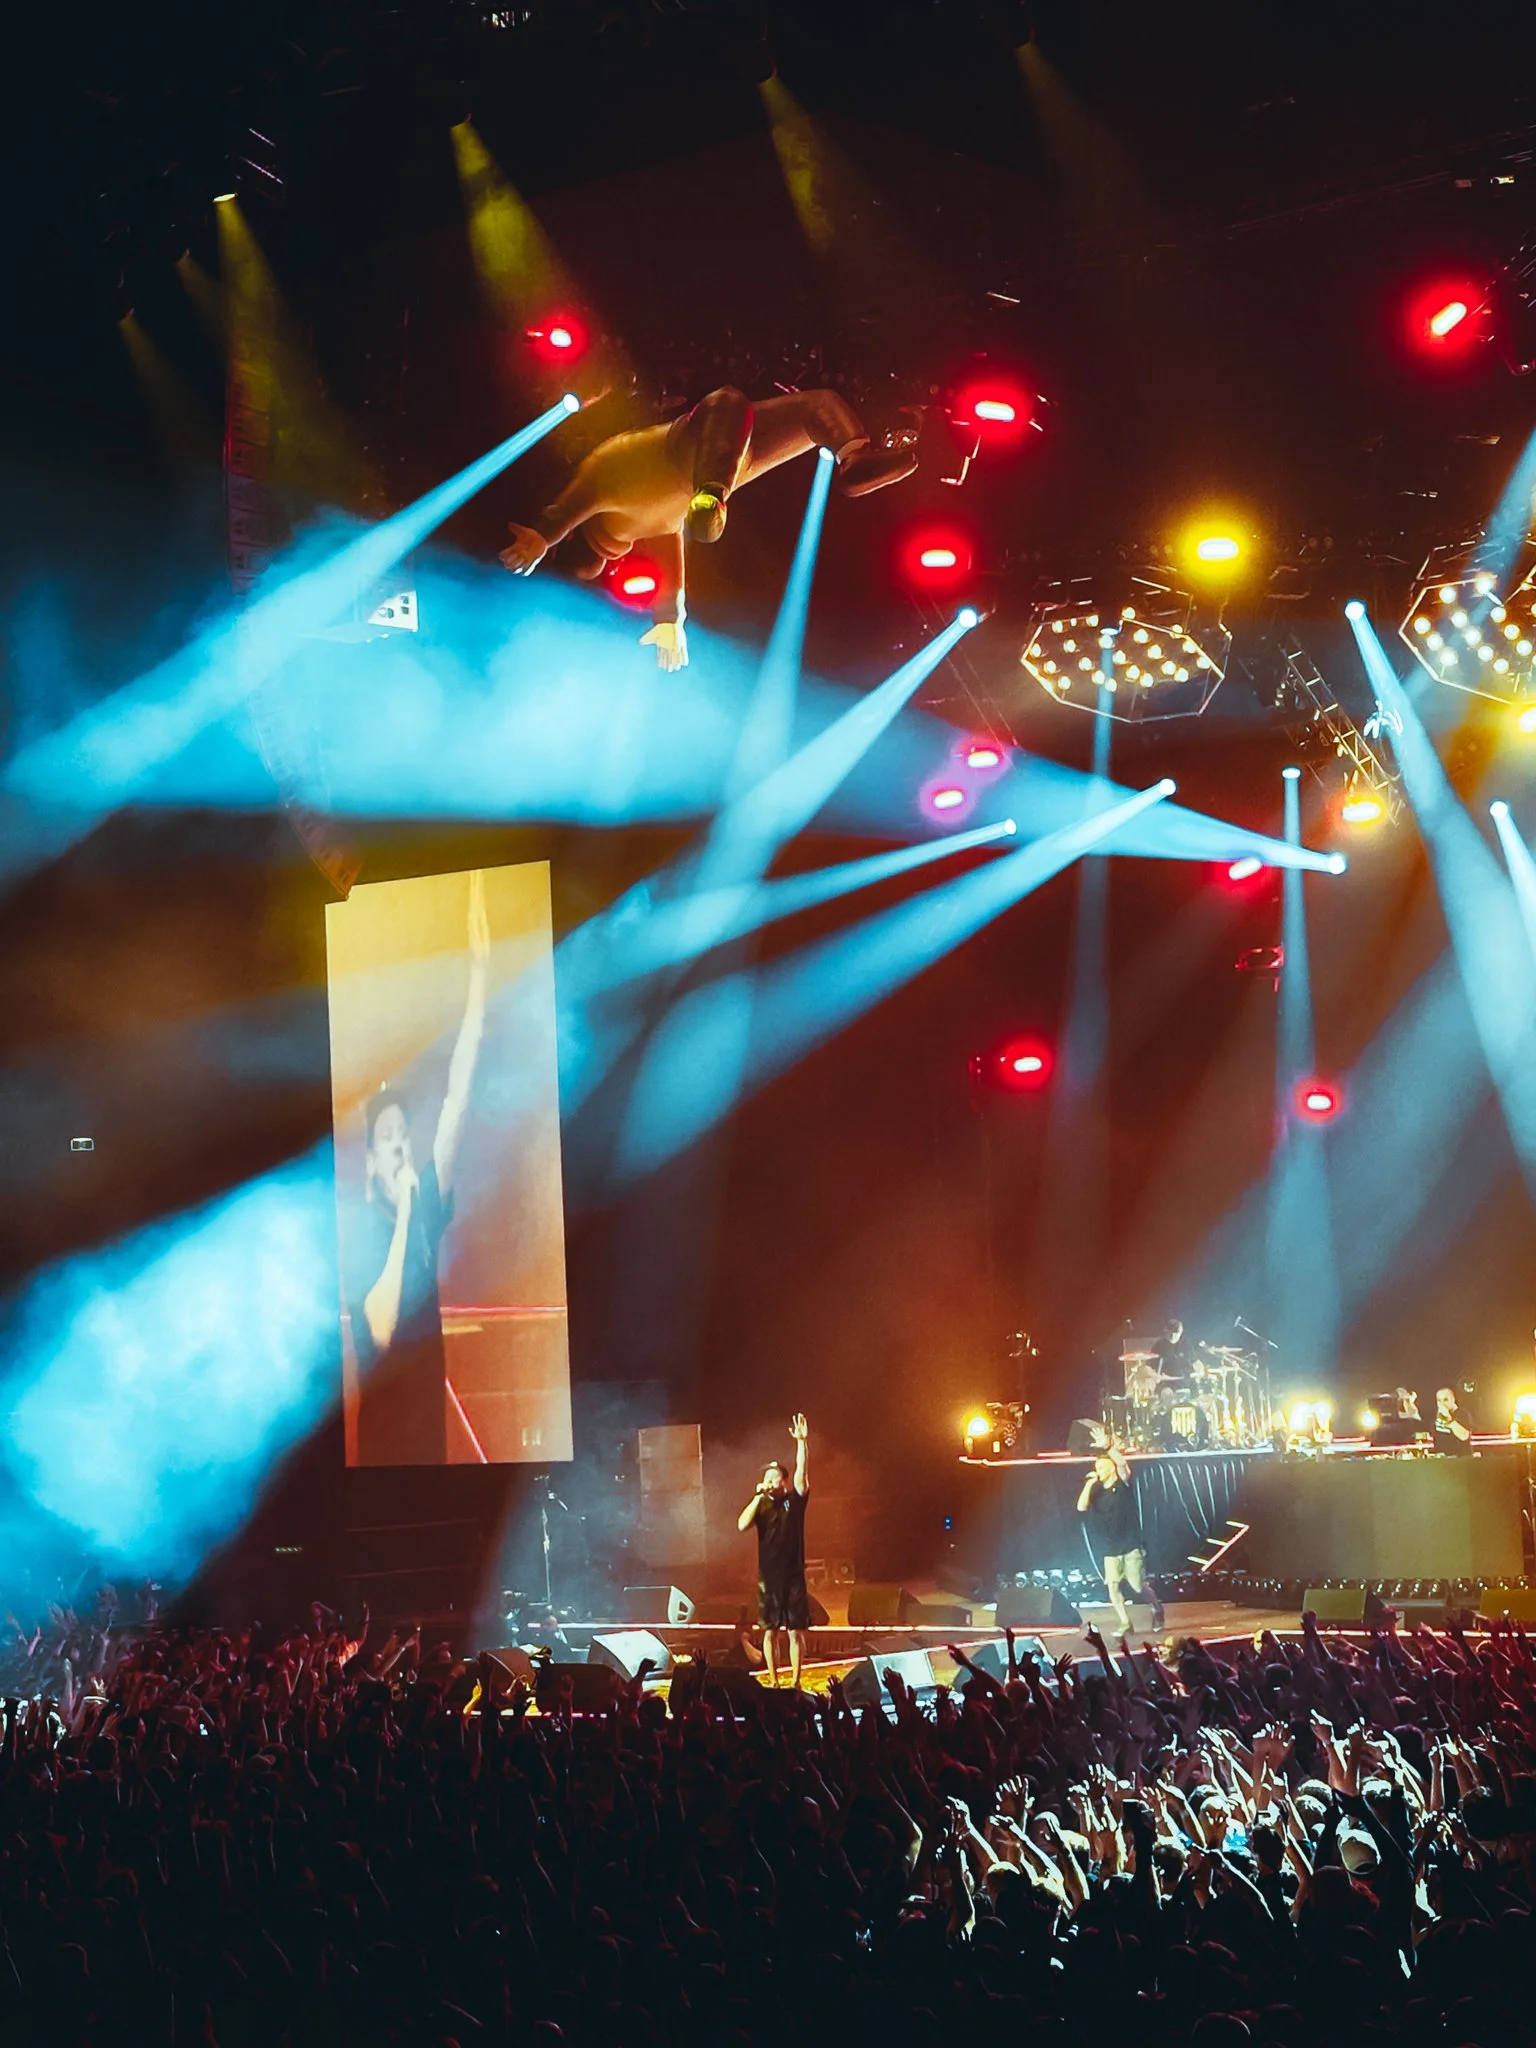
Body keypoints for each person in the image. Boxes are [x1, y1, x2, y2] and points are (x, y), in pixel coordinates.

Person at [499, 385, 916, 669]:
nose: (614, 559)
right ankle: (850, 454)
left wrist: (541, 536)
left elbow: (569, 505)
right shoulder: (650, 526)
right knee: (803, 408)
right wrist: (669, 620)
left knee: (739, 406)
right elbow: (669, 573)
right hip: (722, 464)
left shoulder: (611, 488)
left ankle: (853, 458)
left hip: (703, 455)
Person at [344, 871, 490, 1465]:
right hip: (383, 1442)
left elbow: (459, 1096)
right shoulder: (361, 1232)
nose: (402, 1142)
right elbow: (381, 1327)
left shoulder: (426, 1196)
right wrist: (406, 1212)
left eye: (404, 1132)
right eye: (389, 1137)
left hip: (429, 1430)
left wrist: (479, 976)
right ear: (372, 1161)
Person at [736, 1412, 810, 1687]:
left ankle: (796, 1681)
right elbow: (741, 1525)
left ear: (783, 1481)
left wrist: (801, 1442)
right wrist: (758, 1496)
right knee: (770, 1633)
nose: (769, 1479)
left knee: (795, 1633)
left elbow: (802, 1471)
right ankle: (775, 1681)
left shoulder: (795, 1499)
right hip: (768, 1579)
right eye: (766, 1476)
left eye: (774, 1476)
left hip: (793, 1576)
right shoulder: (762, 1504)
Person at [1076, 1453, 1165, 1635]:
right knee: (1112, 1586)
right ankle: (1125, 1622)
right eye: (1097, 1468)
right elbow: (1081, 1506)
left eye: (1102, 1467)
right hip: (1111, 1547)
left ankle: (1157, 1608)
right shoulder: (1097, 1491)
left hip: (1131, 1544)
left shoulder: (1122, 1484)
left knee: (1137, 1586)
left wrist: (1110, 1447)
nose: (1098, 1471)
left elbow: (1123, 1465)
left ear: (1111, 1468)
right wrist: (1089, 1483)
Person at [1433, 1385, 1473, 1456]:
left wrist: (1448, 1418)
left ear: (1453, 1399)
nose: (1442, 1403)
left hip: (1461, 1458)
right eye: (1439, 1400)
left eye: (1445, 1400)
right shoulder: (1436, 1417)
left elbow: (1464, 1436)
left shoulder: (1462, 1413)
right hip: (1442, 1459)